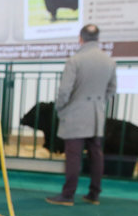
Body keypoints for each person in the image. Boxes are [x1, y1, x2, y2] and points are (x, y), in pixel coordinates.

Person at [46, 24, 116, 206]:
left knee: (74, 156)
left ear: (80, 38)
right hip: (96, 115)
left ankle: (68, 195)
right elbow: (112, 89)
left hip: (75, 114)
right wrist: (99, 104)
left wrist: (60, 109)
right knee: (96, 155)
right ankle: (94, 194)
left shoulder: (75, 60)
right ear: (98, 38)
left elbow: (64, 91)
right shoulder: (109, 61)